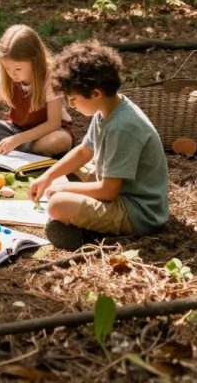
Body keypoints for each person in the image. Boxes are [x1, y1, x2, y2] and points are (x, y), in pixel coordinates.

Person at [29, 42, 169, 250]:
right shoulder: (108, 109)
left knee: (58, 203)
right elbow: (84, 151)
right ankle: (77, 221)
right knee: (65, 168)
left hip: (138, 211)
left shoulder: (123, 127)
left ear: (95, 93)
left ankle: (87, 233)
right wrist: (47, 177)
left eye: (73, 99)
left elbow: (108, 191)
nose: (72, 106)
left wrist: (62, 188)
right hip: (120, 189)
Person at [0, 24, 73, 156]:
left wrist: (16, 140)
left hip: (45, 134)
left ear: (35, 61)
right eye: (7, 68)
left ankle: (13, 150)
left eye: (18, 69)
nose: (12, 74)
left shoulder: (50, 78)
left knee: (61, 141)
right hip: (16, 129)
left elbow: (53, 124)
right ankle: (20, 151)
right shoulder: (6, 77)